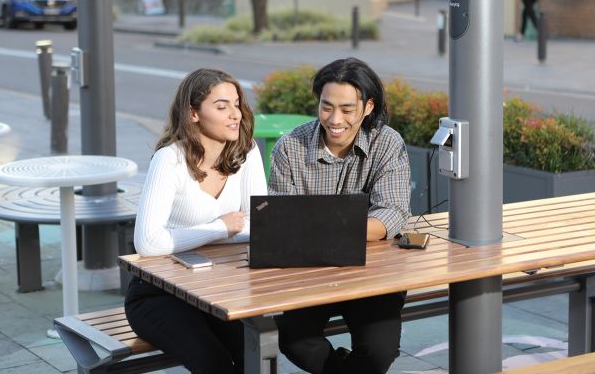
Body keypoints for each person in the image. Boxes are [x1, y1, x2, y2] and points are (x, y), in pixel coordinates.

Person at [269, 57, 412, 374]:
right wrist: (356, 226)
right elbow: (281, 221)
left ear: (368, 106)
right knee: (292, 339)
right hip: (307, 274)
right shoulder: (290, 147)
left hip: (371, 272)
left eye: (347, 110)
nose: (335, 119)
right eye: (326, 106)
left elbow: (392, 214)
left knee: (380, 351)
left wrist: (316, 225)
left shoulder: (387, 143)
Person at [124, 68, 266, 374]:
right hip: (159, 295)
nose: (235, 114)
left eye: (237, 103)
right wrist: (221, 227)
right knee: (213, 363)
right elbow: (148, 243)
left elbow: (262, 225)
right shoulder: (170, 160)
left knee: (256, 350)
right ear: (193, 114)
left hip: (219, 291)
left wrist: (192, 235)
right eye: (221, 106)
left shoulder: (247, 152)